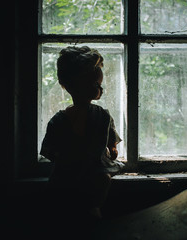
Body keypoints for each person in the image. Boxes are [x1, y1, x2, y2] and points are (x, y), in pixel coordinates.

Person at [40, 46, 124, 219]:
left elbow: (50, 152)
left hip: (80, 173)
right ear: (77, 84)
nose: (100, 90)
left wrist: (111, 147)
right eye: (96, 85)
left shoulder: (99, 115)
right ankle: (91, 208)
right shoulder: (64, 119)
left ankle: (92, 208)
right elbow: (50, 149)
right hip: (74, 175)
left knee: (102, 180)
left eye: (99, 85)